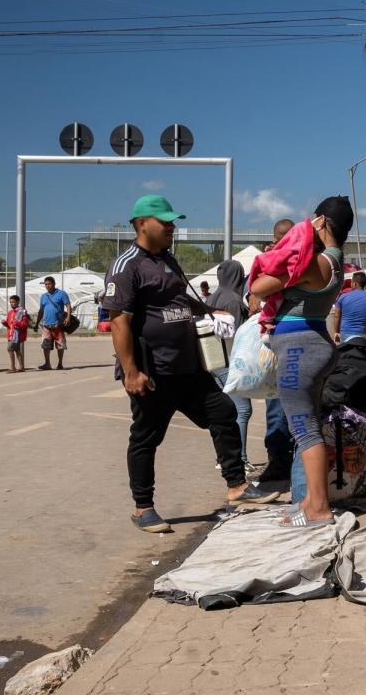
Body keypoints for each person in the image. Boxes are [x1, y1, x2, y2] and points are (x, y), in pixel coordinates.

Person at [102, 195, 278, 533]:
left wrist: (211, 313)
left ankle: (237, 487)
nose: (172, 227)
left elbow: (180, 300)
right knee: (146, 437)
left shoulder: (167, 260)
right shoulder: (127, 265)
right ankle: (143, 508)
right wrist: (131, 372)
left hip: (188, 367)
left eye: (173, 221)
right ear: (142, 224)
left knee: (223, 412)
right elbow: (120, 321)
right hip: (153, 371)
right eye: (165, 221)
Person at [250, 196, 354, 527]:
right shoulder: (334, 260)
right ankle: (311, 500)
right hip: (309, 343)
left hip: (300, 349)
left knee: (304, 428)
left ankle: (319, 509)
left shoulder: (319, 262)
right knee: (308, 426)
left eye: (313, 220)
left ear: (321, 222)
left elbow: (259, 286)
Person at [254, 218, 299, 488]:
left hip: (278, 340)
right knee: (295, 404)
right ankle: (291, 461)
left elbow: (254, 297)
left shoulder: (275, 261)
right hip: (298, 339)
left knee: (276, 403)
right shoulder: (303, 258)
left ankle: (279, 461)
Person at [205, 259, 255, 473]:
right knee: (242, 410)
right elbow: (236, 334)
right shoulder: (233, 299)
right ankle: (240, 459)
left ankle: (222, 457)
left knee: (223, 412)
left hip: (213, 360)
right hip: (230, 360)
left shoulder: (212, 296)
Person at [32, 276, 71, 370]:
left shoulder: (61, 294)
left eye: (49, 284)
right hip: (46, 325)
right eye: (46, 284)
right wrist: (37, 323)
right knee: (46, 345)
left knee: (60, 345)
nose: (47, 286)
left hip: (58, 324)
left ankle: (60, 364)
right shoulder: (43, 297)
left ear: (53, 284)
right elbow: (41, 311)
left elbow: (68, 306)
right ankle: (47, 363)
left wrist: (68, 317)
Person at [334, 270, 366, 344]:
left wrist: (336, 332)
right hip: (364, 334)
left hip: (345, 333)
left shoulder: (342, 297)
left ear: (354, 283)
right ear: (365, 284)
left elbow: (337, 316)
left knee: (346, 354)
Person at [2, 294, 29, 372]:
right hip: (11, 335)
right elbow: (9, 325)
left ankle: (12, 367)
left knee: (10, 349)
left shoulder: (22, 312)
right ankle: (21, 367)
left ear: (18, 302)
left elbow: (25, 324)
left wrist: (17, 323)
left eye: (13, 302)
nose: (12, 304)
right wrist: (5, 323)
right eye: (10, 302)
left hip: (17, 335)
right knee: (17, 350)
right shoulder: (10, 313)